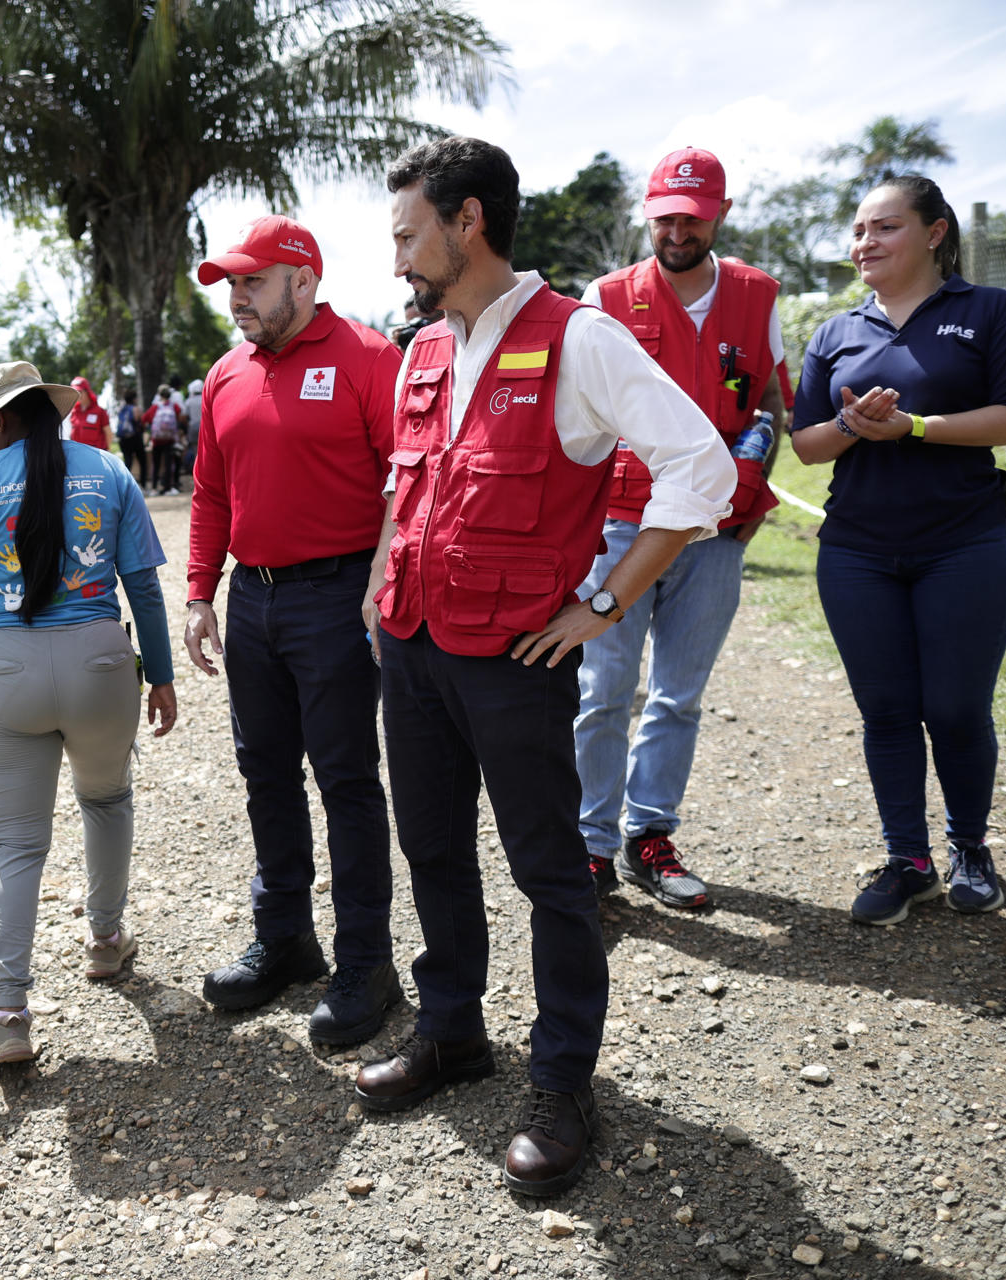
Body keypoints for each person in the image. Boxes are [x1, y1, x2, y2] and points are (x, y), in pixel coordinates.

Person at [362, 137, 734, 1196]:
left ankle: (563, 1079)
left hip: (517, 658)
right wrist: (381, 589)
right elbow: (409, 489)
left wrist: (603, 603)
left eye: (406, 234)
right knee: (430, 847)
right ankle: (452, 1032)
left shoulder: (581, 336)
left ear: (466, 220)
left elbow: (698, 465)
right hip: (415, 647)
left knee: (551, 873)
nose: (396, 260)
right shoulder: (425, 348)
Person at [788, 175, 1006, 926]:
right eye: (859, 231)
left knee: (958, 708)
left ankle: (970, 847)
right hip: (857, 551)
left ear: (935, 233)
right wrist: (853, 427)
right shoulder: (836, 332)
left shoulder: (989, 312)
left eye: (885, 228)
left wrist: (918, 427)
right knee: (888, 711)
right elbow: (807, 445)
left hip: (964, 543)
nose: (863, 243)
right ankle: (908, 860)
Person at [0, 362, 177, 1064]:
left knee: (13, 843)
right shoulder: (109, 470)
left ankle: (7, 1012)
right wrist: (161, 678)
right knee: (107, 799)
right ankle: (105, 940)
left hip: (7, 668)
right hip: (99, 662)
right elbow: (144, 591)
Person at [186, 214, 404, 1048]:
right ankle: (284, 939)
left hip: (338, 594)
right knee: (264, 773)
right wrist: (203, 590)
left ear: (303, 281)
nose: (236, 297)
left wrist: (382, 580)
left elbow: (403, 484)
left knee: (346, 779)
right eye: (230, 283)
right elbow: (210, 491)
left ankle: (366, 963)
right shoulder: (225, 373)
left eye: (250, 281)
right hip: (255, 600)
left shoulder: (368, 358)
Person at [573, 147, 790, 909]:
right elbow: (581, 417)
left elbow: (767, 403)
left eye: (692, 218)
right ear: (649, 213)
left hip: (715, 532)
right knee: (604, 687)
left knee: (678, 695)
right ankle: (591, 845)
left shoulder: (759, 297)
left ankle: (648, 835)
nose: (676, 230)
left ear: (719, 216)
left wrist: (748, 491)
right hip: (623, 525)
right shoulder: (603, 298)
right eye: (665, 215)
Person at [145, 385, 183, 494]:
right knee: (168, 464)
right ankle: (167, 488)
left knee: (156, 464)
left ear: (159, 395)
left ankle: (153, 488)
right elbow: (180, 418)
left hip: (156, 440)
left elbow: (145, 418)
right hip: (169, 439)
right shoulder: (174, 406)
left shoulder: (155, 407)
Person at [114, 384, 149, 489]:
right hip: (135, 438)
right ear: (134, 398)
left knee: (127, 462)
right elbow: (141, 423)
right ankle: (143, 485)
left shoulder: (121, 409)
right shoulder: (136, 409)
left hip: (123, 439)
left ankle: (126, 486)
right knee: (142, 461)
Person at [67, 376, 113, 451]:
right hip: (78, 454)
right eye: (75, 392)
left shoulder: (100, 411)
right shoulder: (73, 412)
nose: (78, 395)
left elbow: (108, 433)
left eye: (80, 392)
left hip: (96, 455)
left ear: (87, 391)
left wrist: (108, 451)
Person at [182, 378, 205, 476]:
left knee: (196, 450)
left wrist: (188, 425)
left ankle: (197, 471)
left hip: (192, 427)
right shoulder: (205, 398)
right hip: (204, 427)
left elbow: (183, 416)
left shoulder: (189, 401)